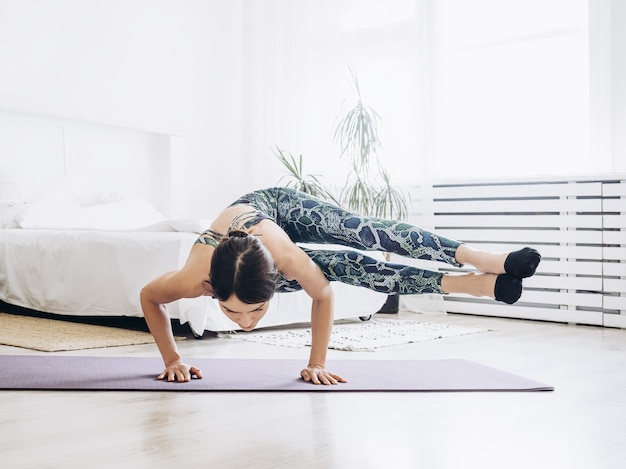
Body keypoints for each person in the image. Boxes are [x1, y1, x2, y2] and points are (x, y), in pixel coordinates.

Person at [140, 187, 541, 386]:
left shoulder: (287, 261)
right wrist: (171, 358)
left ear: (274, 282)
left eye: (255, 309)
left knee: (362, 234)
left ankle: (483, 260)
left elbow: (323, 294)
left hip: (276, 208)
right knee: (344, 266)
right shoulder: (195, 278)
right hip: (244, 248)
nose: (245, 323)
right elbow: (150, 297)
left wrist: (317, 363)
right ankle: (468, 286)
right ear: (211, 292)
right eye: (232, 312)